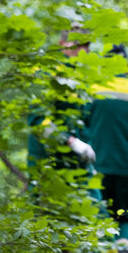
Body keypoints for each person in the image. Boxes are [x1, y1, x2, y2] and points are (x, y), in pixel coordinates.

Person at [84, 44, 128, 253]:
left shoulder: (93, 90)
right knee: (124, 218)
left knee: (101, 219)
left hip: (97, 166)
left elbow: (84, 124)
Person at [27, 27, 97, 179]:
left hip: (80, 165)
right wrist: (70, 141)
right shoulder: (48, 72)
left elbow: (84, 123)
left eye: (86, 45)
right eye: (77, 45)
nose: (83, 50)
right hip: (49, 163)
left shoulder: (83, 78)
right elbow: (37, 121)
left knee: (95, 201)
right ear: (62, 43)